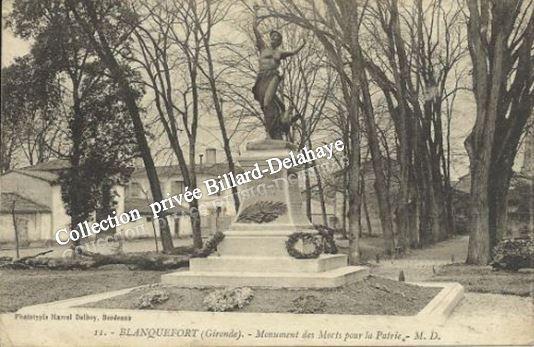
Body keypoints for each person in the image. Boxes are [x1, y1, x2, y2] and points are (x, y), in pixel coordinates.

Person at [252, 6, 305, 139]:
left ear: (279, 41)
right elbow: (255, 30)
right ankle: (275, 128)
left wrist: (303, 44)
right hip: (261, 78)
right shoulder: (263, 48)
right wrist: (255, 13)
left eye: (277, 37)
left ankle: (275, 127)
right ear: (270, 38)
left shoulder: (279, 52)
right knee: (265, 106)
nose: (274, 38)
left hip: (273, 76)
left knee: (267, 102)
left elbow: (293, 52)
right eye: (273, 36)